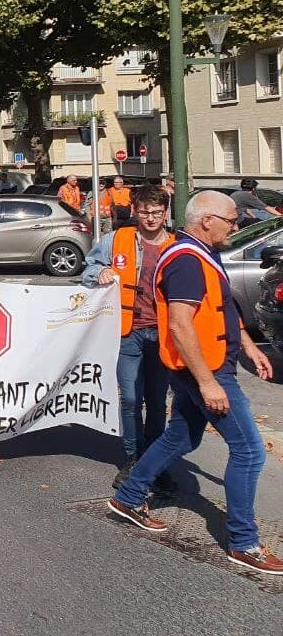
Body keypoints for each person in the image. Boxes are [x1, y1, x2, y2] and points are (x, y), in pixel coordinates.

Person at [108, 191, 282, 575]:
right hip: (207, 370)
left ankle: (129, 497)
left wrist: (250, 348)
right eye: (231, 220)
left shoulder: (201, 253)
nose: (235, 226)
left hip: (207, 366)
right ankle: (243, 542)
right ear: (206, 220)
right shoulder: (186, 261)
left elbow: (222, 310)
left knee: (181, 438)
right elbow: (180, 324)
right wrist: (208, 383)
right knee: (250, 451)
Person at [81, 185, 175, 488]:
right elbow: (89, 268)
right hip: (128, 332)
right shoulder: (117, 239)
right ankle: (133, 458)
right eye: (145, 212)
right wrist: (100, 273)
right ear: (135, 211)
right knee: (132, 398)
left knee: (157, 401)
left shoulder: (177, 244)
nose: (150, 218)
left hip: (162, 334)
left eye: (157, 213)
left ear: (165, 213)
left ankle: (154, 460)